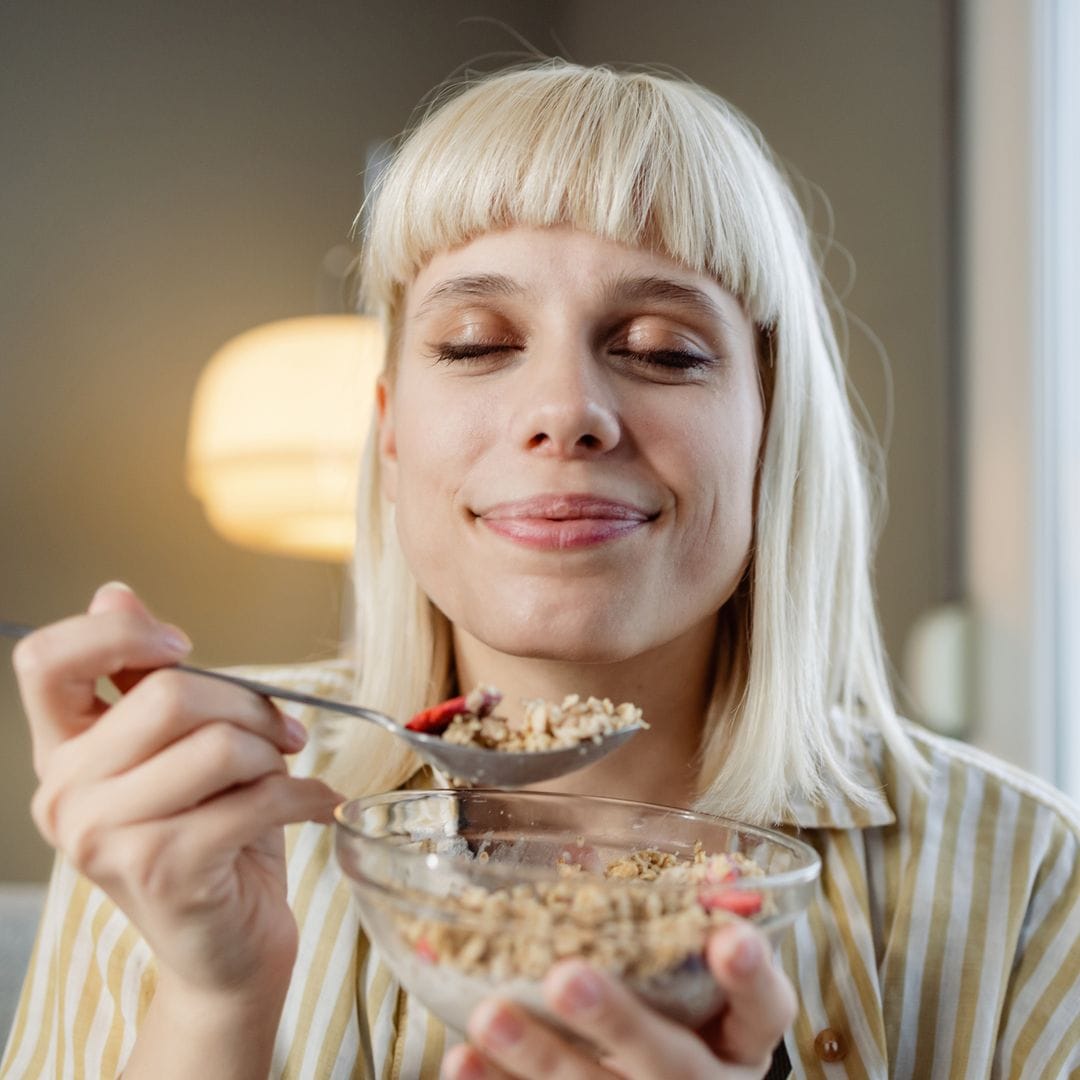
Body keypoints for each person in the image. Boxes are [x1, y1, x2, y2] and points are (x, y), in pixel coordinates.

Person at [3, 60, 1079, 1080]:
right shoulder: (186, 825)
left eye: (663, 349)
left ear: (772, 431)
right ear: (389, 436)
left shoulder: (1027, 873)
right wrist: (210, 1003)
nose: (565, 411)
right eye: (474, 342)